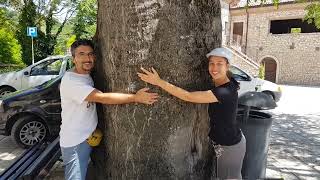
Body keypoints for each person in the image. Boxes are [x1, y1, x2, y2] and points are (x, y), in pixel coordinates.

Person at [137, 47, 246, 179]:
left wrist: (158, 81)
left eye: (219, 64)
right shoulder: (227, 83)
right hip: (227, 144)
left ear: (227, 66)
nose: (214, 67)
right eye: (211, 63)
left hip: (230, 146)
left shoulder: (224, 92)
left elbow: (188, 96)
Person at [59, 39, 158, 180]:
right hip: (75, 142)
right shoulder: (71, 81)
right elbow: (102, 97)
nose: (87, 58)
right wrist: (136, 98)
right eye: (81, 54)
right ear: (74, 58)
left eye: (90, 54)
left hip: (88, 137)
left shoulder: (84, 75)